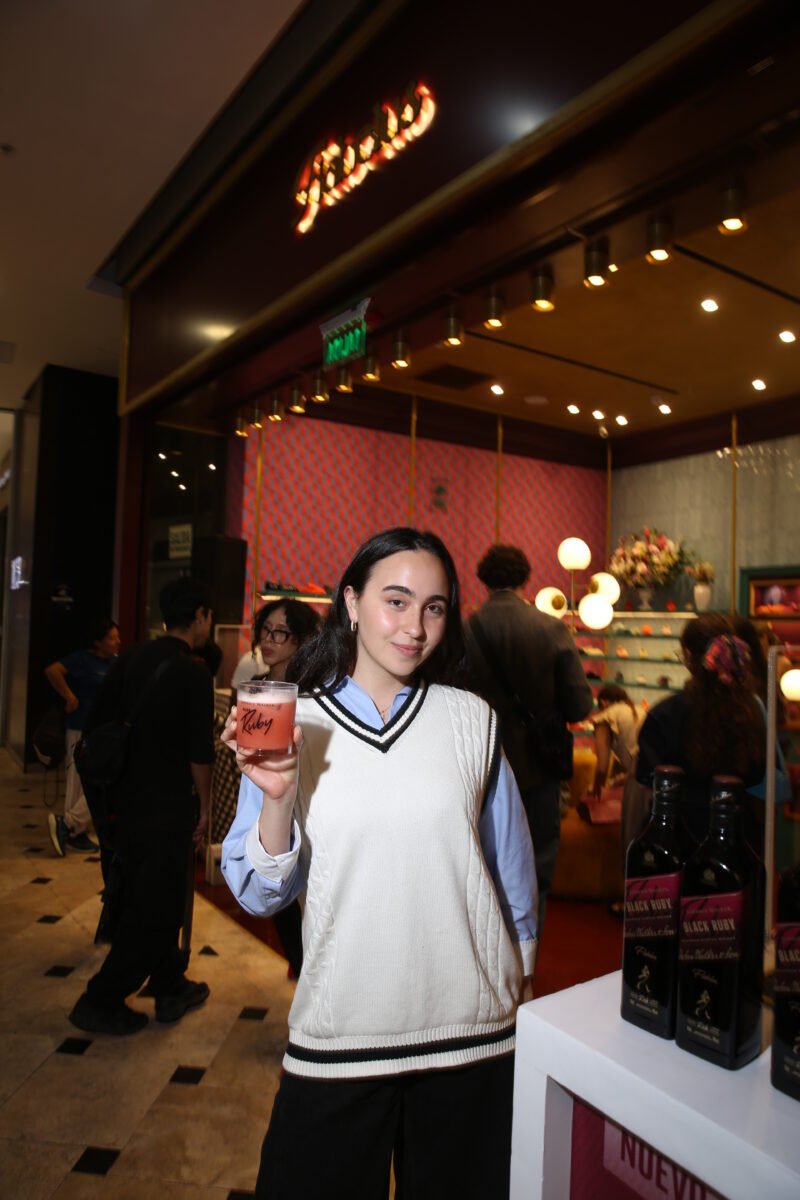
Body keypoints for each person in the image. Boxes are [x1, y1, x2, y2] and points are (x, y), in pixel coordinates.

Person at [222, 527, 537, 1199]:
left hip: (471, 1036)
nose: (415, 628)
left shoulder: (471, 720)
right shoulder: (287, 719)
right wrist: (276, 796)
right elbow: (257, 894)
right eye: (396, 601)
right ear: (352, 603)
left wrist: (523, 977)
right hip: (340, 1035)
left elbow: (510, 869)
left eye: (434, 607)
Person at [68, 578, 216, 1036]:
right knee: (157, 908)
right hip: (166, 807)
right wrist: (206, 807)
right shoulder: (193, 673)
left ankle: (170, 985)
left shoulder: (130, 657)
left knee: (147, 893)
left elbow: (99, 724)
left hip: (123, 801)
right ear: (201, 616)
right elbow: (199, 753)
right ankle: (100, 998)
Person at [463, 543, 592, 930]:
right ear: (525, 577)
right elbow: (580, 706)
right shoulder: (550, 628)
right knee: (536, 868)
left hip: (480, 764)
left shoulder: (465, 631)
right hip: (539, 765)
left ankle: (487, 952)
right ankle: (526, 952)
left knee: (482, 866)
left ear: (484, 579)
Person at [228, 598, 321, 978]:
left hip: (300, 801)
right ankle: (297, 961)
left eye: (280, 632)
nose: (269, 640)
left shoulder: (314, 694)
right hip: (258, 797)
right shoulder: (257, 688)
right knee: (271, 885)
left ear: (302, 639)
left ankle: (306, 965)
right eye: (265, 631)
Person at [636, 614, 766, 844]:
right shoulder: (750, 710)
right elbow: (758, 775)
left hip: (677, 831)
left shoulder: (665, 713)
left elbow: (646, 775)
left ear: (688, 657)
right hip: (736, 832)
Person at [44, 619, 120, 855]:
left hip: (102, 730)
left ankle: (69, 826)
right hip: (80, 726)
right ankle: (72, 829)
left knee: (96, 779)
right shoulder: (82, 660)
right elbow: (52, 671)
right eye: (111, 638)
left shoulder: (115, 663)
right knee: (77, 780)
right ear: (98, 642)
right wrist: (69, 696)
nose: (117, 641)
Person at [231, 599, 320, 687]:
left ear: (301, 638)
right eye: (266, 628)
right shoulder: (255, 685)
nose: (268, 638)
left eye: (280, 631)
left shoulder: (309, 690)